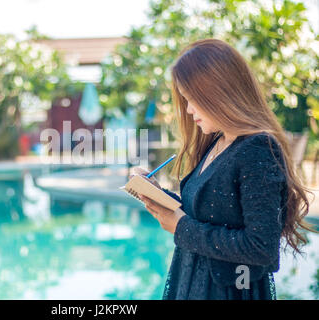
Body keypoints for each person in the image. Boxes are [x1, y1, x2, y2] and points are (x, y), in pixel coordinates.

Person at [131, 39, 315, 300]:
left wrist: (181, 227)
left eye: (193, 99)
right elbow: (207, 213)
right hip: (195, 281)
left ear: (219, 93)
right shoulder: (217, 141)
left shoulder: (258, 149)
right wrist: (157, 194)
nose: (188, 109)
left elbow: (261, 249)